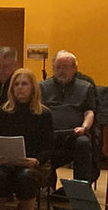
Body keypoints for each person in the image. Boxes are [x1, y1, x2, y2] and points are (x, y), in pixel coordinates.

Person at [0, 69, 54, 210]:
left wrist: (36, 160)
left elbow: (48, 146)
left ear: (33, 87)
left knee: (25, 177)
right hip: (6, 162)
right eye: (16, 84)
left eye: (24, 84)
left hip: (34, 164)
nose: (20, 88)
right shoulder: (2, 112)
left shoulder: (43, 114)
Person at [40, 50, 96, 183]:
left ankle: (80, 191)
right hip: (50, 136)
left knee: (84, 143)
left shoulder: (86, 87)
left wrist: (84, 127)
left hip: (75, 136)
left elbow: (89, 112)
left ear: (74, 68)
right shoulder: (42, 87)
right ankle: (46, 185)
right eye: (57, 67)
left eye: (65, 67)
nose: (61, 71)